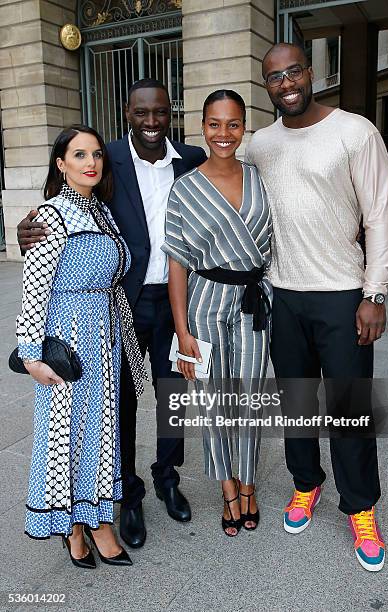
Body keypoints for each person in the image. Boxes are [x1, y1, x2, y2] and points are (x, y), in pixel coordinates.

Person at [17, 79, 207, 550]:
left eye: (160, 112)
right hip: (122, 301)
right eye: (142, 112)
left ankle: (167, 476)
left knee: (173, 393)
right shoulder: (106, 160)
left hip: (181, 299)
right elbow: (67, 206)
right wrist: (29, 226)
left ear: (170, 114)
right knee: (117, 399)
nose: (151, 121)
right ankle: (126, 492)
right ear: (128, 113)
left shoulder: (193, 161)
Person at [246, 43, 388, 571]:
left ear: (310, 73)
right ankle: (306, 483)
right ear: (265, 85)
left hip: (343, 295)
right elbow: (213, 177)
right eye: (273, 77)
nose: (285, 83)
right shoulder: (259, 144)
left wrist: (375, 294)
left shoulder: (355, 132)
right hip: (283, 295)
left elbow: (379, 215)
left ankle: (360, 507)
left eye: (293, 72)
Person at [16, 125, 148, 568]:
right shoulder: (50, 216)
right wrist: (32, 355)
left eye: (95, 154)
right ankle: (71, 526)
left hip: (103, 335)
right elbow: (34, 287)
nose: (91, 162)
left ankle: (98, 521)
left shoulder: (102, 213)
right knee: (64, 436)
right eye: (78, 155)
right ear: (61, 164)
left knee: (99, 431)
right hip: (67, 336)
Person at [162, 90, 273, 536]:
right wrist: (182, 331)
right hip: (204, 301)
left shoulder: (262, 178)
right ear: (201, 126)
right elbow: (176, 262)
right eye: (214, 124)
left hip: (253, 303)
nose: (223, 133)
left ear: (243, 127)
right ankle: (227, 488)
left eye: (232, 124)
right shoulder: (185, 188)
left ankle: (249, 483)